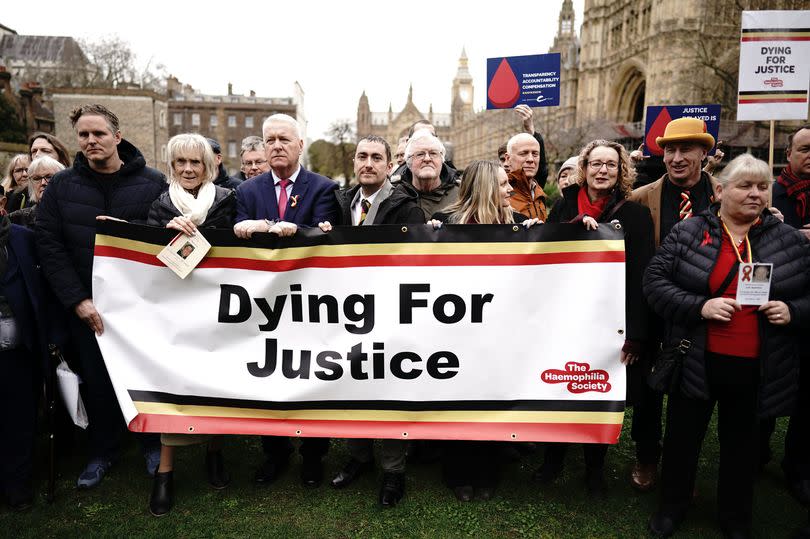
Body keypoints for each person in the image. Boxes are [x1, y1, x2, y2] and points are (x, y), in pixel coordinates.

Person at [643, 153, 810, 538]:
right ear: (719, 190)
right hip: (697, 358)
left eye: (763, 187)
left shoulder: (787, 239)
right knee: (683, 441)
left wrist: (793, 310)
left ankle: (735, 517)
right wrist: (700, 306)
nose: (755, 194)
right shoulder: (689, 232)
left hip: (758, 365)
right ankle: (672, 508)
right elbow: (654, 282)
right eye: (745, 186)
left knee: (743, 446)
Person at [36, 104, 166, 489]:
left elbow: (161, 237)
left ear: (117, 137)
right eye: (83, 135)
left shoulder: (153, 182)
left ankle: (150, 444)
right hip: (86, 306)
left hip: (140, 306)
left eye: (99, 134)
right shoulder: (61, 187)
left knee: (144, 378)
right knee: (95, 380)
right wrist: (77, 300)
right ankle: (103, 451)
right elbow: (49, 245)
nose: (91, 141)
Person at [540, 140, 655, 497]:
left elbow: (641, 276)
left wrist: (636, 334)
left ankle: (594, 467)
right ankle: (553, 457)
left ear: (621, 171)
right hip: (563, 318)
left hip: (609, 324)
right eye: (596, 164)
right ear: (584, 168)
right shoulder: (562, 205)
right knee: (557, 387)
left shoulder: (634, 215)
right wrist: (574, 228)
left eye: (611, 165)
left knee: (596, 390)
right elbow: (542, 253)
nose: (602, 170)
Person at [234, 113, 339, 486]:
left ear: (299, 145)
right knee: (269, 378)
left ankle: (313, 455)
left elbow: (327, 238)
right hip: (265, 308)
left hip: (311, 305)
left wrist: (299, 232)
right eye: (270, 140)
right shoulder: (247, 192)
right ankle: (274, 453)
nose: (276, 145)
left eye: (284, 139)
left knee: (313, 378)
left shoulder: (324, 188)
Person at [317, 135, 422, 507]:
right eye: (362, 156)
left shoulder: (406, 207)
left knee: (388, 391)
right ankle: (359, 456)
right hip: (347, 314)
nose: (368, 163)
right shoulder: (341, 201)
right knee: (352, 385)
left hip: (390, 315)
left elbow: (416, 263)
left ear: (390, 164)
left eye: (377, 157)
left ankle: (393, 470)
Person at [429, 160, 533, 501]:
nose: (510, 189)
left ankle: (488, 472)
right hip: (453, 333)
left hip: (498, 335)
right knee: (457, 403)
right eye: (503, 184)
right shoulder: (443, 225)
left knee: (492, 401)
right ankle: (457, 473)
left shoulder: (519, 226)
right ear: (487, 186)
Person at [145, 133, 236, 516]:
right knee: (175, 388)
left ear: (208, 166)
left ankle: (214, 453)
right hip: (178, 310)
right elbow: (146, 257)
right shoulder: (160, 204)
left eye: (194, 163)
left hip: (218, 308)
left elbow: (236, 246)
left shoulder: (228, 201)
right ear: (171, 165)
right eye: (179, 162)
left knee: (215, 384)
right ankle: (164, 473)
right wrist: (166, 234)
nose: (187, 169)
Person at [626, 116, 719, 492]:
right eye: (670, 151)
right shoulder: (640, 197)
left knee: (692, 393)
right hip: (653, 307)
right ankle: (647, 456)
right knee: (648, 389)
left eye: (685, 150)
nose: (676, 158)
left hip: (702, 311)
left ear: (703, 154)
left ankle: (681, 463)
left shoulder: (723, 196)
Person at [0, 214, 65, 511]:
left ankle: (17, 483)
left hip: (20, 347)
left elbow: (45, 291)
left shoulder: (23, 238)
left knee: (20, 417)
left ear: (2, 204)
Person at [767, 123, 810, 506]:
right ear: (789, 155)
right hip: (775, 304)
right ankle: (756, 453)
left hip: (807, 309)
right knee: (765, 387)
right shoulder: (770, 195)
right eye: (805, 149)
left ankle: (796, 467)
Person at [398, 130, 459, 221]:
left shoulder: (461, 195)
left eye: (433, 153)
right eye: (420, 154)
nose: (427, 159)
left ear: (442, 160)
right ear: (409, 161)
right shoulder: (394, 196)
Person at [9, 156, 64, 229]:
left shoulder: (77, 214)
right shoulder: (16, 218)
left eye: (49, 177)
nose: (43, 182)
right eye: (37, 178)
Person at [505, 133, 547, 220]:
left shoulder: (539, 192)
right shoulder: (499, 194)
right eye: (523, 153)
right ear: (508, 159)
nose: (531, 159)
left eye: (535, 154)